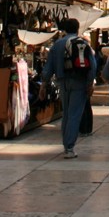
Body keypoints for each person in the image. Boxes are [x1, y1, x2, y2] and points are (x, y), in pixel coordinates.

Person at [39, 18, 96, 159]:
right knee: (75, 114)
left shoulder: (57, 44)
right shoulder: (83, 43)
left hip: (62, 82)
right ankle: (69, 146)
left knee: (66, 113)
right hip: (79, 82)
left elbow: (48, 67)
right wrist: (90, 83)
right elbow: (93, 66)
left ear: (65, 29)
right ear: (77, 28)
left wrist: (44, 85)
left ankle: (66, 145)